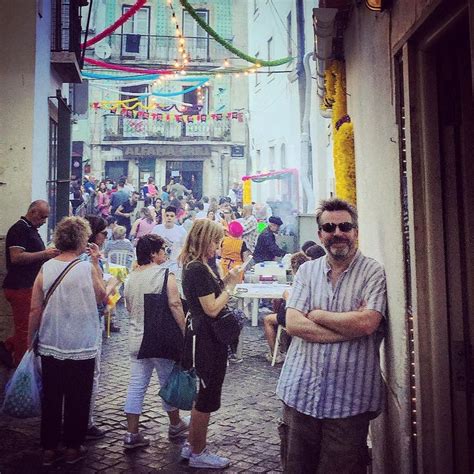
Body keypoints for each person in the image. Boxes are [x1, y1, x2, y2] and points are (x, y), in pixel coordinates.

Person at [276, 198, 387, 473]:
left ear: (356, 232)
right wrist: (348, 329)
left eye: (345, 226)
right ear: (320, 234)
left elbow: (367, 323)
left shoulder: (373, 272)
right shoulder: (307, 270)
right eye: (329, 227)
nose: (337, 233)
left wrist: (317, 314)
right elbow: (293, 323)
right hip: (300, 394)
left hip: (349, 402)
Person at [27, 216, 106, 466]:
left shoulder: (46, 267)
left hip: (51, 341)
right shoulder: (86, 268)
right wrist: (95, 261)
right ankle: (73, 447)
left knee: (51, 397)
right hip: (81, 343)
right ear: (83, 239)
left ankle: (49, 449)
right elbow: (101, 296)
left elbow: (34, 309)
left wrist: (31, 341)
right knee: (78, 397)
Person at [179, 219, 242, 469]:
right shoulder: (196, 268)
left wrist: (227, 280)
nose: (219, 246)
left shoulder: (204, 265)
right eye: (216, 241)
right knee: (206, 394)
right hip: (205, 337)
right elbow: (212, 308)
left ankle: (191, 444)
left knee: (203, 393)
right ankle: (198, 451)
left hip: (208, 336)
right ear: (205, 240)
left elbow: (213, 295)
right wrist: (232, 287)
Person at [123, 234, 188, 449]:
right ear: (153, 253)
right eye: (163, 250)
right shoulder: (164, 275)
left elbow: (129, 308)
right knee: (167, 382)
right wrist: (184, 331)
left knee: (136, 385)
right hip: (159, 338)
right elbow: (175, 304)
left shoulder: (131, 277)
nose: (165, 254)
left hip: (136, 337)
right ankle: (176, 424)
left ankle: (131, 434)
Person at [0, 200, 60, 368]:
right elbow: (16, 257)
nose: (44, 221)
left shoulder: (30, 229)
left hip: (28, 286)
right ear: (33, 212)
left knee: (29, 328)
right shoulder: (19, 229)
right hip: (20, 287)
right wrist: (45, 254)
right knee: (25, 330)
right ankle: (21, 370)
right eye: (42, 217)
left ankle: (8, 347)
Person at [263, 252, 309, 364]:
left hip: (295, 315)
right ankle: (283, 347)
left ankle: (275, 354)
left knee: (267, 320)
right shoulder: (311, 279)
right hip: (306, 315)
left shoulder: (298, 281)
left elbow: (292, 304)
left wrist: (287, 296)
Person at [151, 206, 187, 278]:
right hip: (158, 264)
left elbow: (185, 248)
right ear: (164, 216)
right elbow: (151, 245)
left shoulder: (181, 231)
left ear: (175, 217)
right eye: (167, 215)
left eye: (171, 216)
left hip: (173, 265)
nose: (169, 218)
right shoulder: (156, 229)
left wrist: (181, 264)